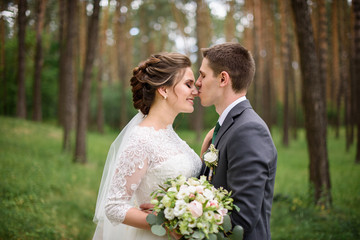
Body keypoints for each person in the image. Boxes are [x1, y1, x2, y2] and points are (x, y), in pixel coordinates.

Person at [92, 52, 202, 240]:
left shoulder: (170, 134)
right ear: (164, 90)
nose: (195, 91)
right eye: (188, 84)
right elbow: (113, 206)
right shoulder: (141, 139)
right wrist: (167, 223)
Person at [196, 42, 277, 240]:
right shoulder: (228, 126)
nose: (197, 82)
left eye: (203, 75)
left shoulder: (249, 130)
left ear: (223, 78)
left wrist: (185, 223)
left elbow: (242, 219)